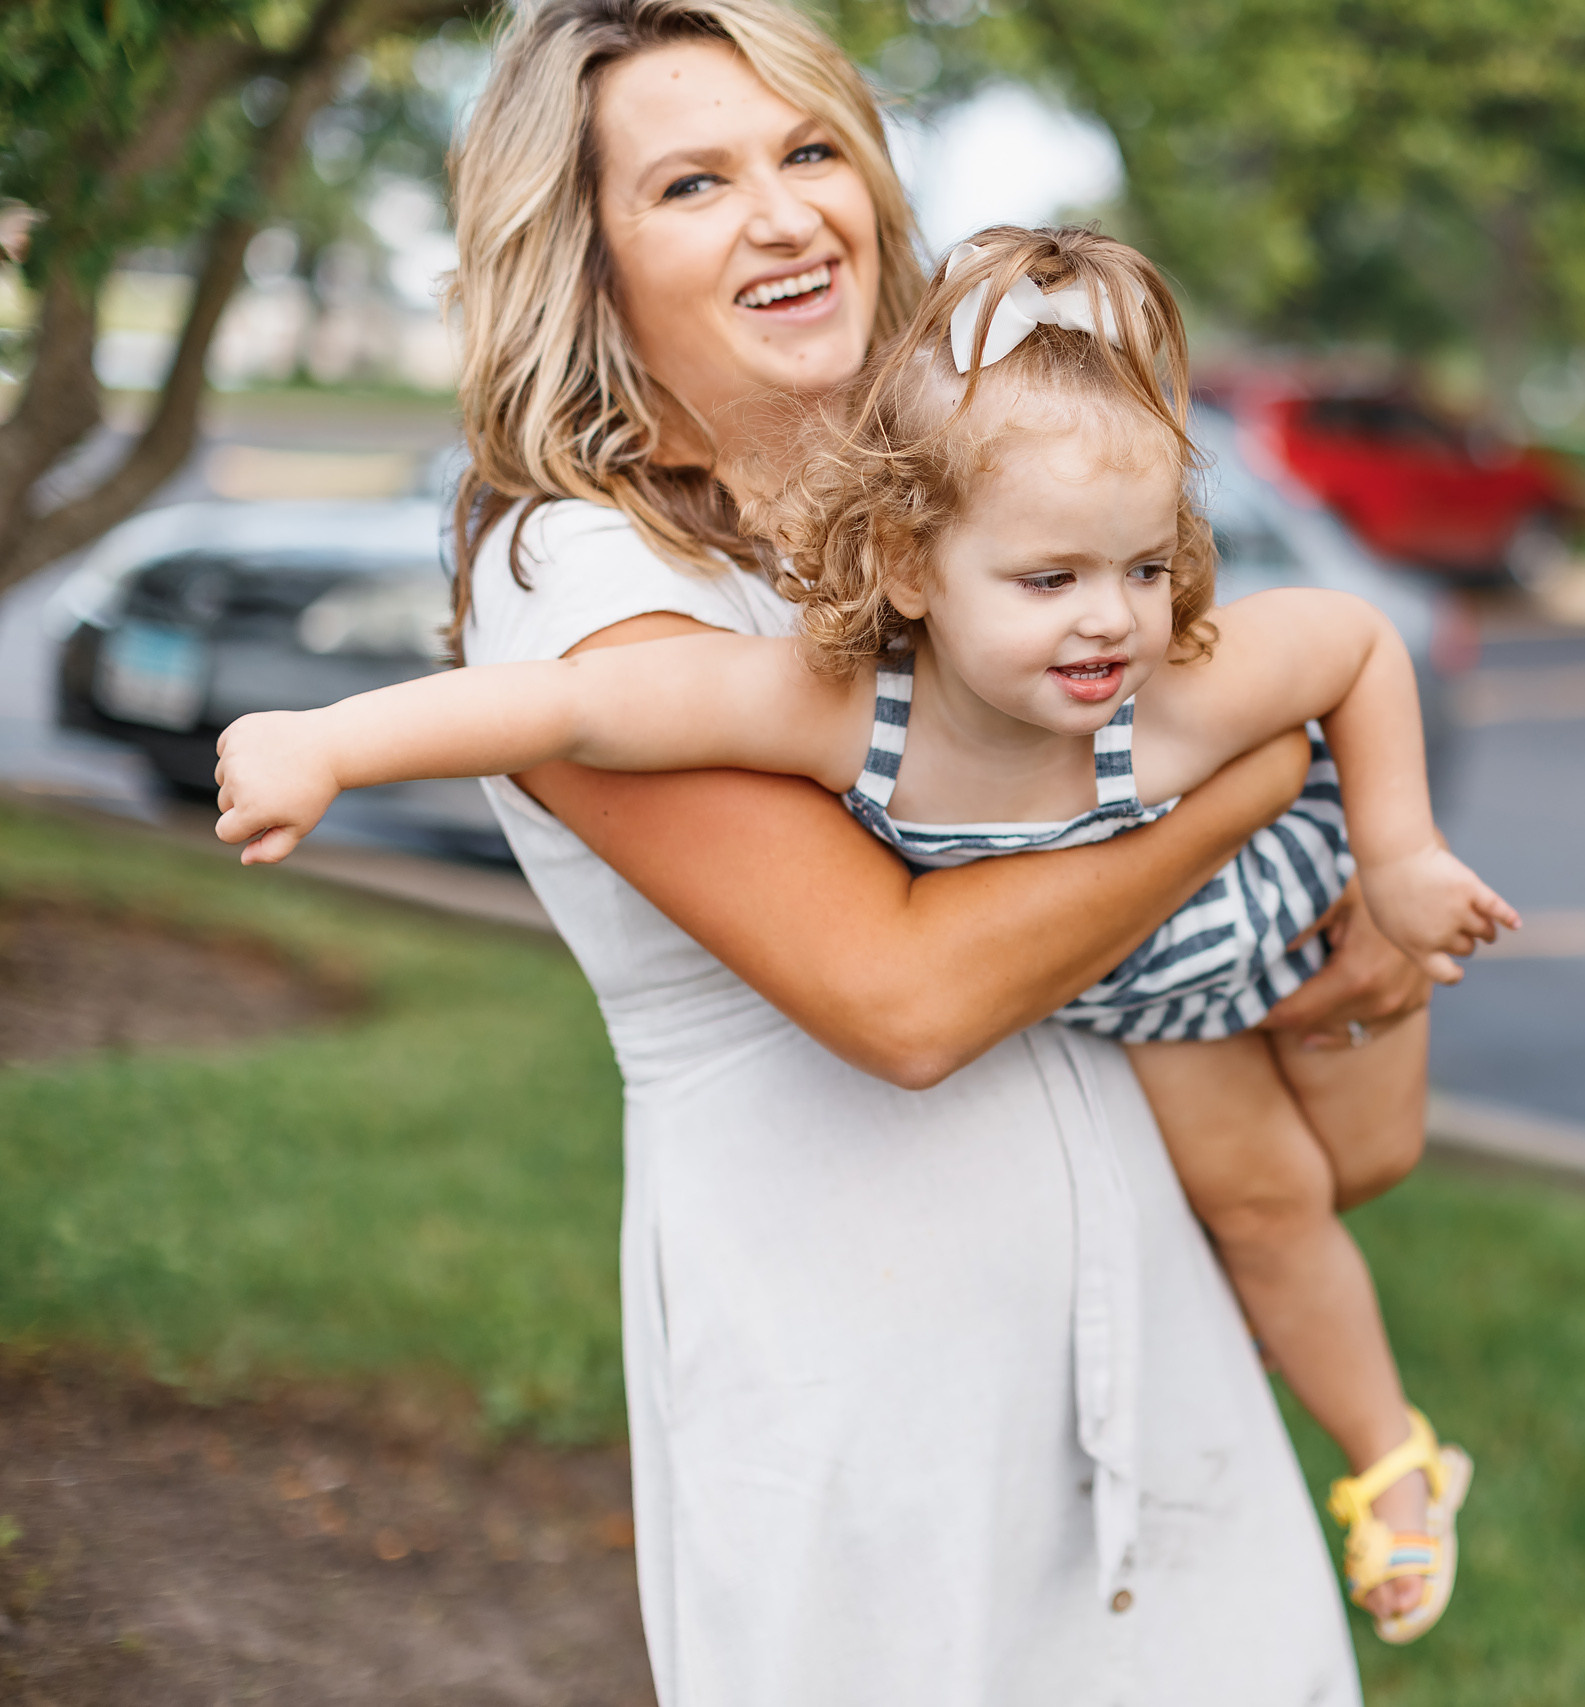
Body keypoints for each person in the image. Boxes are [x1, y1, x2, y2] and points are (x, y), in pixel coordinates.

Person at [216, 225, 1507, 1643]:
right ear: (909, 569)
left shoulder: (1182, 693)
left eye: (1146, 569)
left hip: (1273, 914)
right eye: (1049, 579)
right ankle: (1394, 1464)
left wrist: (1397, 858)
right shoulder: (848, 715)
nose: (1111, 622)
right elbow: (571, 711)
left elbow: (1362, 648)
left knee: (1368, 1157)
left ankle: (1312, 1403)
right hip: (1141, 995)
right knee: (1274, 1213)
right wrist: (325, 740)